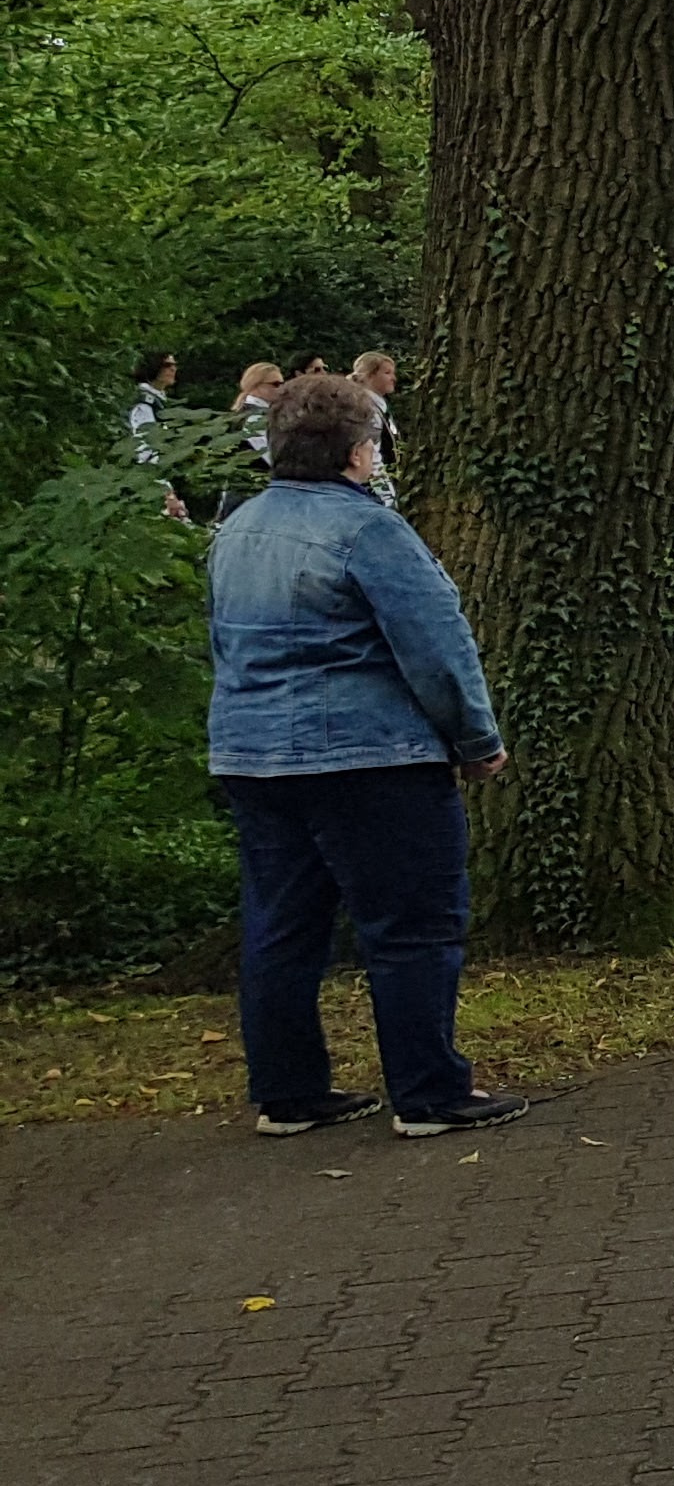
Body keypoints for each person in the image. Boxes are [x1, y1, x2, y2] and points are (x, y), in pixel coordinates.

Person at [208, 372, 524, 1139]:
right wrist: (477, 740)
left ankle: (288, 1092)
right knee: (412, 925)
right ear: (358, 452)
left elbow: (222, 642)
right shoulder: (370, 531)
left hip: (253, 755)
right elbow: (437, 647)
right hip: (369, 757)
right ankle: (429, 1091)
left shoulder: (238, 529)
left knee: (281, 927)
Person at [351, 351, 402, 504]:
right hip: (372, 488)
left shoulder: (379, 406)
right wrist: (387, 496)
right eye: (387, 373)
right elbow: (372, 456)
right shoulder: (367, 409)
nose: (393, 378)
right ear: (369, 376)